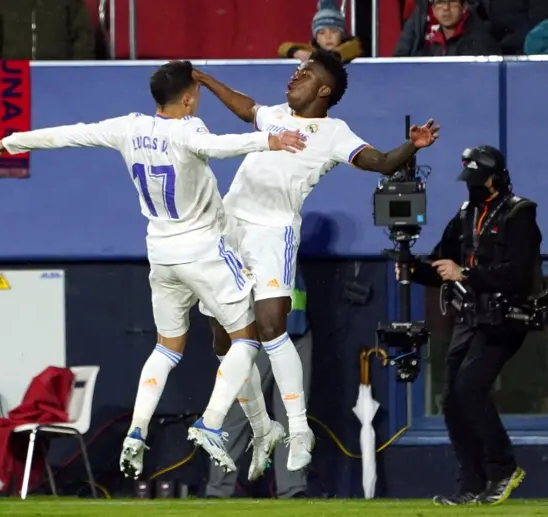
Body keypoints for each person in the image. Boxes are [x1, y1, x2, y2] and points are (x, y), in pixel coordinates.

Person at [0, 60, 305, 478]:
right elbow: (221, 146)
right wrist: (269, 141)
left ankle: (137, 430)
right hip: (202, 250)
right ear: (188, 98)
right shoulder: (190, 130)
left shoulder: (127, 127)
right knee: (246, 340)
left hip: (160, 254)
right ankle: (211, 421)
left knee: (167, 348)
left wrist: (9, 142)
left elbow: (71, 134)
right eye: (196, 93)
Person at [192, 49, 440, 474]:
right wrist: (203, 77)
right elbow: (244, 106)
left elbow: (378, 162)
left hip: (274, 232)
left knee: (270, 326)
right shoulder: (274, 114)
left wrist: (411, 146)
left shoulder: (334, 132)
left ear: (323, 89)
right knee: (223, 339)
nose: (295, 77)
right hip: (229, 226)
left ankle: (298, 428)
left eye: (304, 73)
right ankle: (261, 428)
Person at [398, 145, 541, 506]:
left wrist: (467, 273)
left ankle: (503, 468)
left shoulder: (519, 215)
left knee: (470, 388)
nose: (472, 187)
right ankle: (471, 484)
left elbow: (520, 274)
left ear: (494, 178)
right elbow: (441, 263)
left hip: (505, 317)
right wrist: (414, 270)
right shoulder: (465, 215)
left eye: (478, 179)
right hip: (470, 317)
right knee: (452, 399)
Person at [206, 270, 312, 498]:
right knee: (238, 412)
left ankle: (292, 489)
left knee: (292, 414)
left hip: (296, 331)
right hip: (257, 334)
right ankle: (218, 490)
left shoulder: (286, 237)